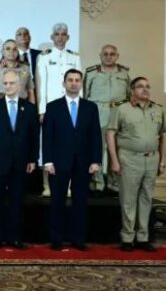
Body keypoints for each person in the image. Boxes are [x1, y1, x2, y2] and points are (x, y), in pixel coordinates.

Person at [42, 69, 102, 251]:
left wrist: (96, 160)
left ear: (81, 84)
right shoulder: (53, 107)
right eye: (70, 80)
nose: (74, 83)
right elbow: (47, 136)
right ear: (64, 83)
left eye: (77, 80)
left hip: (84, 163)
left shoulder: (91, 107)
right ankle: (56, 239)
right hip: (58, 163)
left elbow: (96, 136)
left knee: (80, 202)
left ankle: (79, 239)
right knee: (57, 202)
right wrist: (48, 161)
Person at [107, 77, 166, 252]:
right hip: (129, 159)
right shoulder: (122, 109)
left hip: (152, 159)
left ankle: (143, 237)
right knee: (128, 200)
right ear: (132, 90)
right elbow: (110, 134)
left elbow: (164, 135)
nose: (145, 89)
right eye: (140, 86)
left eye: (147, 86)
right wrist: (114, 160)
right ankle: (127, 238)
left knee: (146, 199)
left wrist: (163, 161)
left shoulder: (158, 109)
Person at [0, 70, 39, 250]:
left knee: (17, 202)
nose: (8, 86)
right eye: (5, 83)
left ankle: (15, 238)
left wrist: (33, 159)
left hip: (20, 162)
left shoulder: (29, 108)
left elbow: (34, 137)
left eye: (12, 83)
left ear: (19, 85)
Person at [36, 22, 82, 197]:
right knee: (47, 145)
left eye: (63, 34)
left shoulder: (74, 57)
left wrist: (80, 107)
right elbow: (41, 84)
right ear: (52, 37)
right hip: (51, 107)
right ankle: (47, 185)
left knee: (70, 145)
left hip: (71, 105)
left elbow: (79, 83)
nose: (60, 37)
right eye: (57, 34)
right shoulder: (44, 57)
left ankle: (67, 185)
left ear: (68, 37)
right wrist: (42, 110)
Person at [84, 44, 131, 195]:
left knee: (116, 149)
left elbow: (129, 96)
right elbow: (85, 96)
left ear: (117, 56)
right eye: (105, 54)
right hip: (98, 114)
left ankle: (113, 182)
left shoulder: (124, 73)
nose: (108, 57)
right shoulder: (91, 73)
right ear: (100, 56)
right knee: (96, 148)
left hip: (118, 114)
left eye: (112, 54)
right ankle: (97, 182)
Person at [0, 39, 35, 106]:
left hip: (22, 106)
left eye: (15, 49)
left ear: (18, 52)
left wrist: (32, 109)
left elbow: (31, 92)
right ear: (2, 52)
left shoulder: (25, 69)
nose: (11, 51)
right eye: (8, 49)